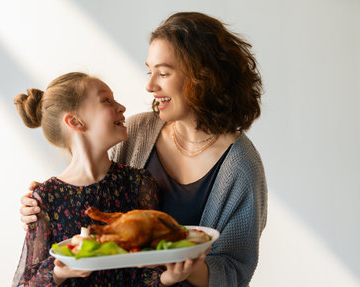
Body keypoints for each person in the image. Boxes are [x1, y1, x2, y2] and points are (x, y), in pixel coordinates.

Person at [20, 12, 268, 287]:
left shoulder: (241, 165)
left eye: (163, 73)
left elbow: (235, 271)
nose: (150, 86)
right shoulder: (135, 133)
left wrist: (182, 269)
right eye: (149, 72)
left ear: (202, 76)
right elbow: (91, 188)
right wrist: (40, 205)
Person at [12, 72, 160, 286]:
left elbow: (152, 264)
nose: (121, 107)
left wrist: (165, 278)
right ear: (75, 121)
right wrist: (59, 272)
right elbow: (26, 282)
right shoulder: (44, 198)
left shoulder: (139, 184)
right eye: (106, 100)